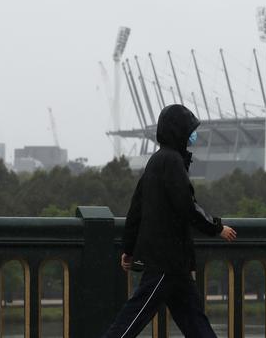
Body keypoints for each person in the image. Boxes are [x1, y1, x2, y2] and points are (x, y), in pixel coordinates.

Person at [101, 104, 237, 338]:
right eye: (190, 129)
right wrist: (217, 228)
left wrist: (128, 248)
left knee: (195, 323)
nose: (193, 134)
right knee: (132, 319)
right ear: (180, 132)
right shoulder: (172, 162)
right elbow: (187, 206)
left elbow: (137, 208)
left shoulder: (157, 161)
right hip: (166, 261)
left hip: (174, 265)